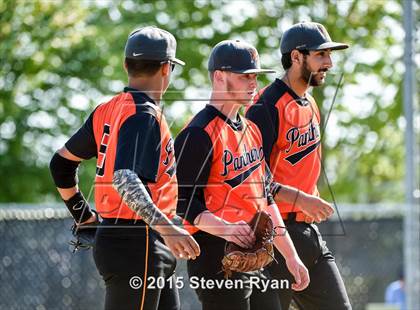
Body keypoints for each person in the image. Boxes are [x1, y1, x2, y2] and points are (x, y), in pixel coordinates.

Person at [49, 26, 200, 310]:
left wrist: (83, 216)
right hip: (137, 241)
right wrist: (167, 227)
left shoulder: (108, 109)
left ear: (125, 64)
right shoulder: (144, 113)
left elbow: (61, 164)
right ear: (167, 68)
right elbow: (124, 178)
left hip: (132, 239)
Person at [175, 39, 311, 310]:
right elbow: (184, 203)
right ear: (219, 76)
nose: (253, 83)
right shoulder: (198, 133)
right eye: (244, 76)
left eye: (255, 77)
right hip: (216, 258)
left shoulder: (251, 130)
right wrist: (227, 229)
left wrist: (291, 256)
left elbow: (267, 199)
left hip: (253, 254)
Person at [246, 21, 351, 309]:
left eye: (329, 55)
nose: (329, 62)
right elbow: (252, 180)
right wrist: (300, 198)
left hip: (309, 236)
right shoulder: (265, 106)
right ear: (296, 57)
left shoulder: (309, 103)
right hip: (276, 238)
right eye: (320, 55)